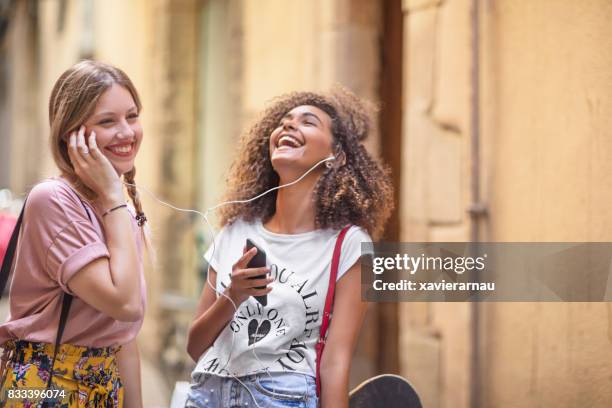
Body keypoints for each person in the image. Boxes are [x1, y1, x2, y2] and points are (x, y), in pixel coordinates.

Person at [185, 88, 394, 408]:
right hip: (207, 395)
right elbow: (196, 345)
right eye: (283, 122)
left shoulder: (350, 245)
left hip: (283, 397)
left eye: (307, 122)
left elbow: (335, 363)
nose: (288, 127)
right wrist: (233, 294)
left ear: (335, 156)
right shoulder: (234, 232)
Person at [0, 60, 149, 408]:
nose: (127, 133)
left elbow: (123, 336)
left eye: (132, 116)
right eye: (108, 121)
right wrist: (114, 196)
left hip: (103, 386)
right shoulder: (54, 200)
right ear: (73, 135)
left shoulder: (120, 211)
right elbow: (124, 303)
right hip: (44, 386)